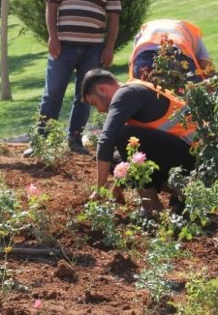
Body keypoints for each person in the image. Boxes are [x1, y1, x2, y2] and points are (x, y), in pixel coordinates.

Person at [23, 0, 121, 157]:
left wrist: (109, 47)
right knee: (52, 93)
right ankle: (41, 142)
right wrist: (53, 36)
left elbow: (114, 16)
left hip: (93, 49)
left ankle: (75, 140)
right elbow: (51, 7)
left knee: (85, 96)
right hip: (63, 46)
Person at [81, 68, 197, 214]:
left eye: (94, 103)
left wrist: (99, 190)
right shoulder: (134, 87)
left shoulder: (126, 94)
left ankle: (151, 205)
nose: (98, 110)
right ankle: (180, 192)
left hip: (193, 155)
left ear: (102, 89)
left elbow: (106, 140)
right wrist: (114, 192)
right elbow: (128, 157)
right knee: (115, 159)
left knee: (123, 136)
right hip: (184, 153)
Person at [129, 19, 212, 82]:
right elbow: (206, 64)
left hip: (142, 58)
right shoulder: (190, 31)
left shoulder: (145, 29)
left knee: (143, 97)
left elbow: (133, 60)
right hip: (176, 55)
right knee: (194, 97)